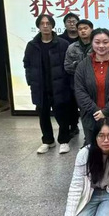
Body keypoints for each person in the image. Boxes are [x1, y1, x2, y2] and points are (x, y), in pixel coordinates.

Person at [23, 14, 72, 154]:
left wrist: (67, 84)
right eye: (42, 23)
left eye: (48, 23)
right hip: (40, 87)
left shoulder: (62, 44)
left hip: (59, 86)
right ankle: (48, 141)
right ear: (38, 26)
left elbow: (68, 65)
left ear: (52, 26)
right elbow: (27, 65)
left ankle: (64, 140)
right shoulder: (32, 45)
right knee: (43, 115)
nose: (45, 26)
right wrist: (30, 81)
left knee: (62, 115)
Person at [74, 28, 109, 142]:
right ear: (91, 42)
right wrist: (95, 110)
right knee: (92, 146)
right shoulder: (83, 65)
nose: (101, 46)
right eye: (97, 42)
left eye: (105, 42)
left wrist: (106, 111)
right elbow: (80, 91)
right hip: (91, 115)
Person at [63, 19, 94, 136]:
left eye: (85, 28)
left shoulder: (97, 45)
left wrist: (78, 66)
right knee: (83, 112)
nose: (83, 31)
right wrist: (82, 70)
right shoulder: (72, 47)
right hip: (78, 86)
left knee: (95, 112)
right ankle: (87, 137)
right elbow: (67, 66)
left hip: (95, 84)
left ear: (91, 29)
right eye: (80, 29)